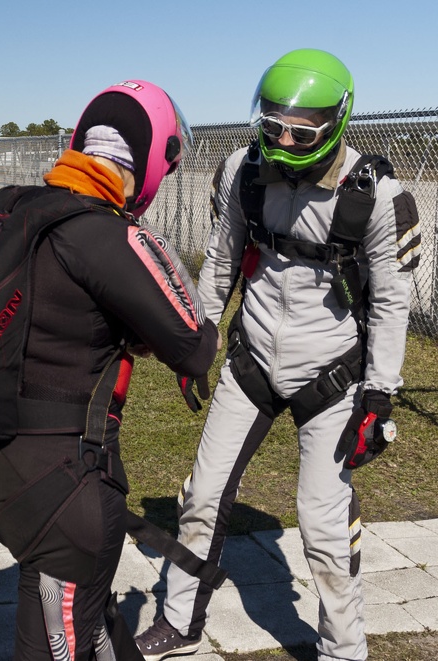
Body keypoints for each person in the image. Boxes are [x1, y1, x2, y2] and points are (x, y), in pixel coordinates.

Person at [135, 49, 420, 661]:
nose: (284, 142)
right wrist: (197, 341)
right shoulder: (242, 169)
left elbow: (393, 302)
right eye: (272, 126)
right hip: (252, 362)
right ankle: (181, 619)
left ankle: (344, 650)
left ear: (337, 121)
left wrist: (380, 392)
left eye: (301, 131)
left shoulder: (374, 196)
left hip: (333, 374)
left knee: (321, 525)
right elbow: (218, 263)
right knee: (202, 497)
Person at [0, 81, 219, 660]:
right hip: (62, 487)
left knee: (96, 628)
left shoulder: (11, 206)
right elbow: (197, 346)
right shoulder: (107, 234)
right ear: (150, 161)